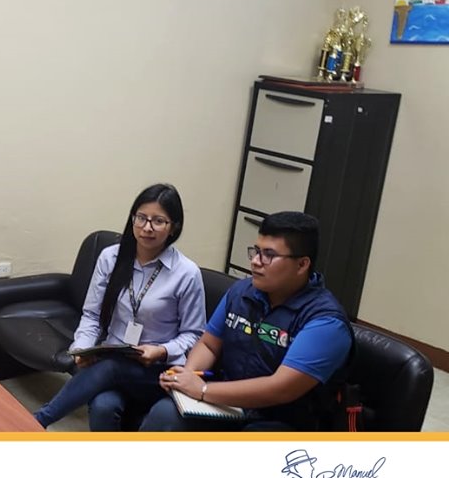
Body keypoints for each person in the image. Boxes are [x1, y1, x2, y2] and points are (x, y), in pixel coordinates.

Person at [140, 211, 352, 431]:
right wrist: (187, 376)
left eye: (268, 255)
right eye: (256, 251)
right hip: (226, 404)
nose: (256, 262)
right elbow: (209, 344)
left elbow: (281, 388)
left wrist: (203, 390)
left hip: (281, 420)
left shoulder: (326, 321)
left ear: (302, 265)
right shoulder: (241, 292)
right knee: (164, 414)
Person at [34, 184, 206, 431]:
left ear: (174, 227)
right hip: (113, 358)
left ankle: (37, 421)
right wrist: (82, 348)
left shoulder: (186, 273)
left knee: (112, 368)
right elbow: (92, 314)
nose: (147, 227)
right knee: (103, 405)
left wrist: (161, 351)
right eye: (141, 218)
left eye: (158, 221)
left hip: (159, 371)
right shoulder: (111, 258)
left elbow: (194, 335)